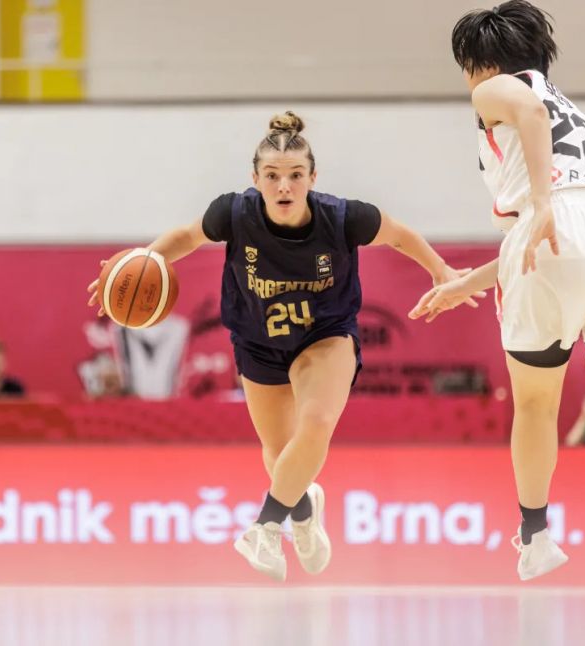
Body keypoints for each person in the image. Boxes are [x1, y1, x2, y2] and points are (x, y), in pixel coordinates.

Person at [88, 111, 477, 581]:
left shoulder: (344, 218)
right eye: (272, 176)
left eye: (295, 175)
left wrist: (439, 269)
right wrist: (138, 261)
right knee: (279, 453)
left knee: (315, 424)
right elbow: (187, 236)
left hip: (324, 333)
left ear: (313, 178)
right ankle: (304, 509)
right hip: (258, 341)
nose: (284, 186)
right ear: (256, 179)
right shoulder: (234, 213)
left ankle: (264, 529)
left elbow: (397, 234)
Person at [411, 0, 585, 584]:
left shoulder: (496, 91)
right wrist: (468, 281)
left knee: (535, 402)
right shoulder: (573, 108)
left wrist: (538, 201)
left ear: (481, 63)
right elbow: (553, 236)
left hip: (555, 232)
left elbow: (544, 209)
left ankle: (535, 539)